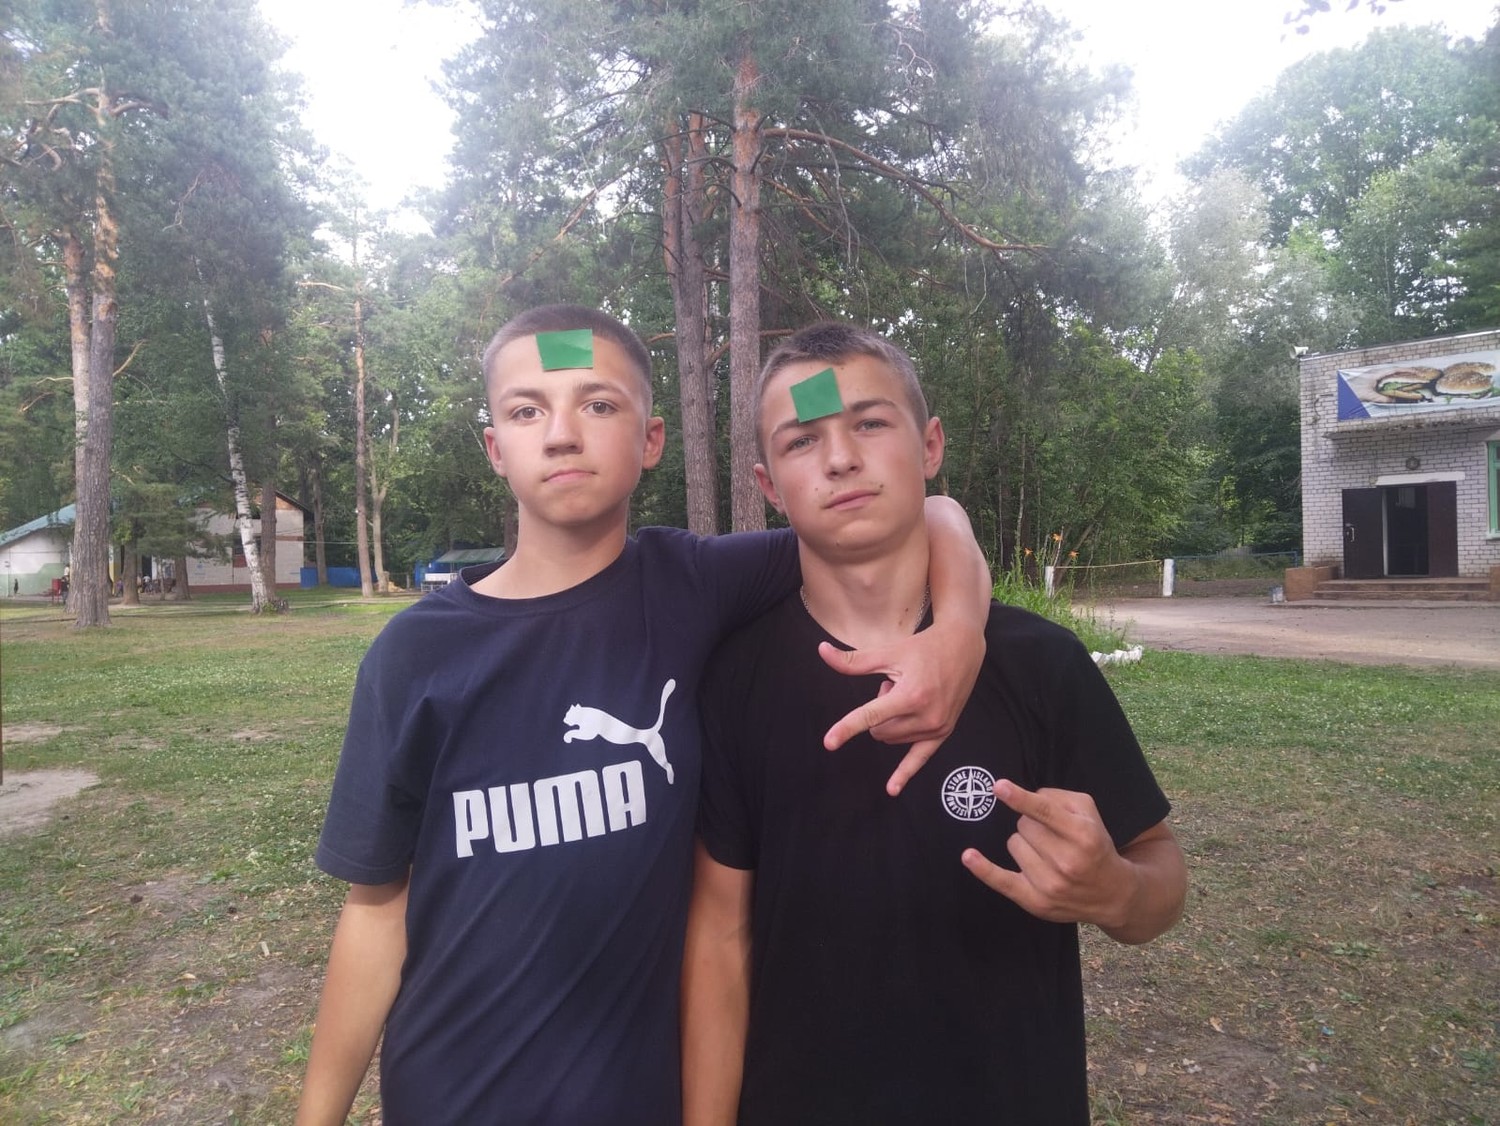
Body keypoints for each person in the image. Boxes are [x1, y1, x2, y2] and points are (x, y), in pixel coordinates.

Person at [295, 306, 992, 1126]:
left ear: (652, 438)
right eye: (527, 410)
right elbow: (375, 911)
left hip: (638, 1098)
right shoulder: (415, 656)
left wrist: (959, 633)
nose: (562, 435)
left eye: (598, 404)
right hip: (450, 1096)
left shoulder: (689, 586)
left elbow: (925, 513)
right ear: (495, 448)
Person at [682, 322, 1187, 1125]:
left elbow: (1160, 875)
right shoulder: (733, 680)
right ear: (768, 484)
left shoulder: (1040, 663)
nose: (840, 458)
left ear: (930, 445)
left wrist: (1119, 893)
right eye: (803, 440)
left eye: (869, 423)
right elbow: (719, 939)